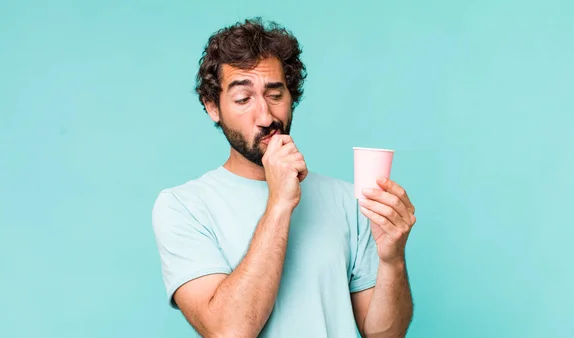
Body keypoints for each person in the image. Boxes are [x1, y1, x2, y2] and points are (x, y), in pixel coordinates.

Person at [151, 17, 417, 338]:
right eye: (243, 99)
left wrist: (392, 260)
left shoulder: (348, 199)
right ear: (213, 107)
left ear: (291, 98)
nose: (265, 116)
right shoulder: (182, 207)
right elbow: (229, 331)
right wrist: (279, 202)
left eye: (275, 95)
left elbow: (386, 334)